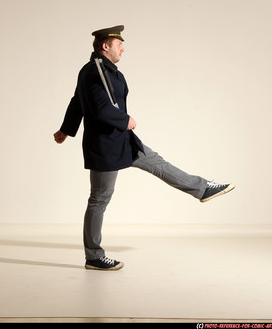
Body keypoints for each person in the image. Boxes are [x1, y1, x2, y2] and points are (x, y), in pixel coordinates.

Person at [53, 25, 235, 271]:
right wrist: (123, 120)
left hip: (123, 140)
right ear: (105, 46)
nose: (122, 49)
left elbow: (79, 102)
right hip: (105, 144)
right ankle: (94, 256)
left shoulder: (105, 70)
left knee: (158, 163)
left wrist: (66, 129)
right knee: (99, 199)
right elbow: (91, 105)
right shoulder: (94, 71)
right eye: (119, 45)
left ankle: (202, 189)